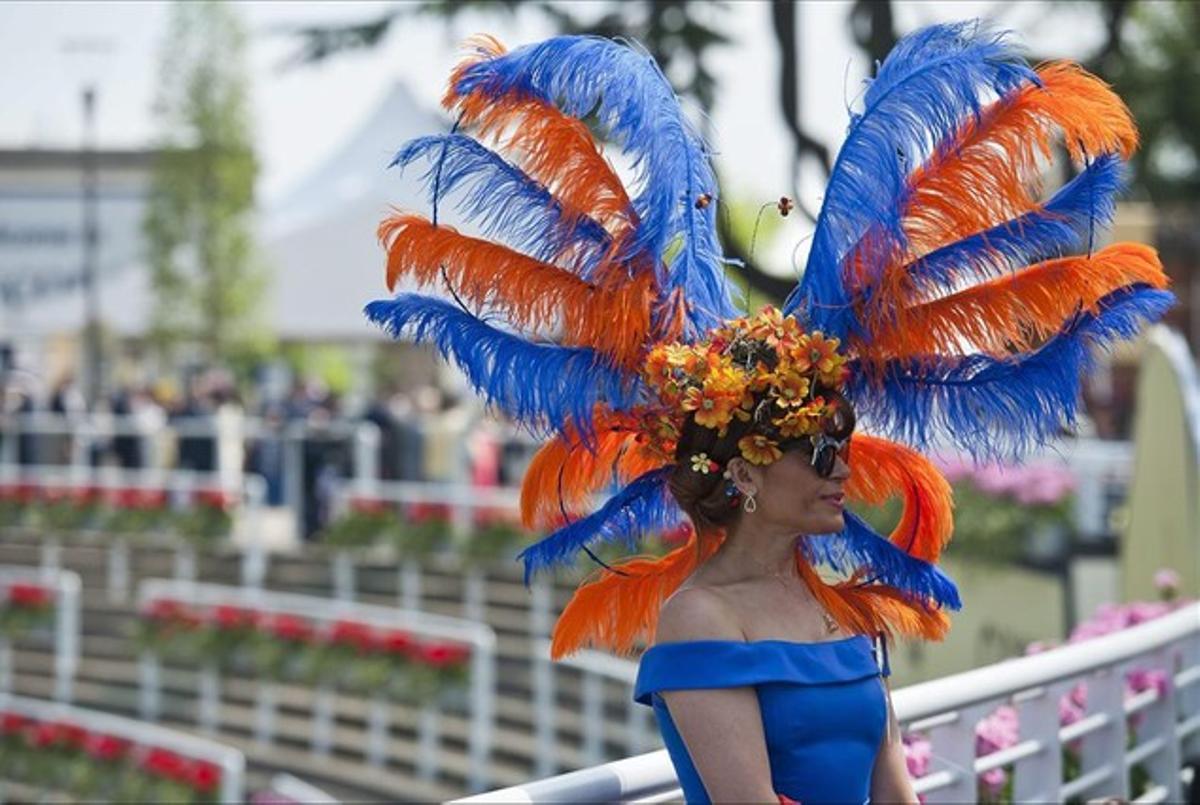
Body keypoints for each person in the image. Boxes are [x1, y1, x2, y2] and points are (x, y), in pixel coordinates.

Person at [366, 21, 1172, 801]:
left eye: (844, 440)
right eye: (818, 451)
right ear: (748, 468)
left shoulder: (834, 601)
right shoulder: (699, 618)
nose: (846, 470)